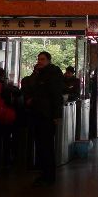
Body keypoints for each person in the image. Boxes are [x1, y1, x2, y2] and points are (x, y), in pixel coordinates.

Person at [29, 51, 64, 186]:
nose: (40, 61)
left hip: (47, 116)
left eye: (42, 59)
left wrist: (56, 115)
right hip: (39, 114)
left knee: (46, 146)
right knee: (41, 145)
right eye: (39, 59)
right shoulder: (40, 74)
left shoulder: (53, 74)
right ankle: (44, 173)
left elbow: (56, 96)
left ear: (49, 60)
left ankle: (48, 176)